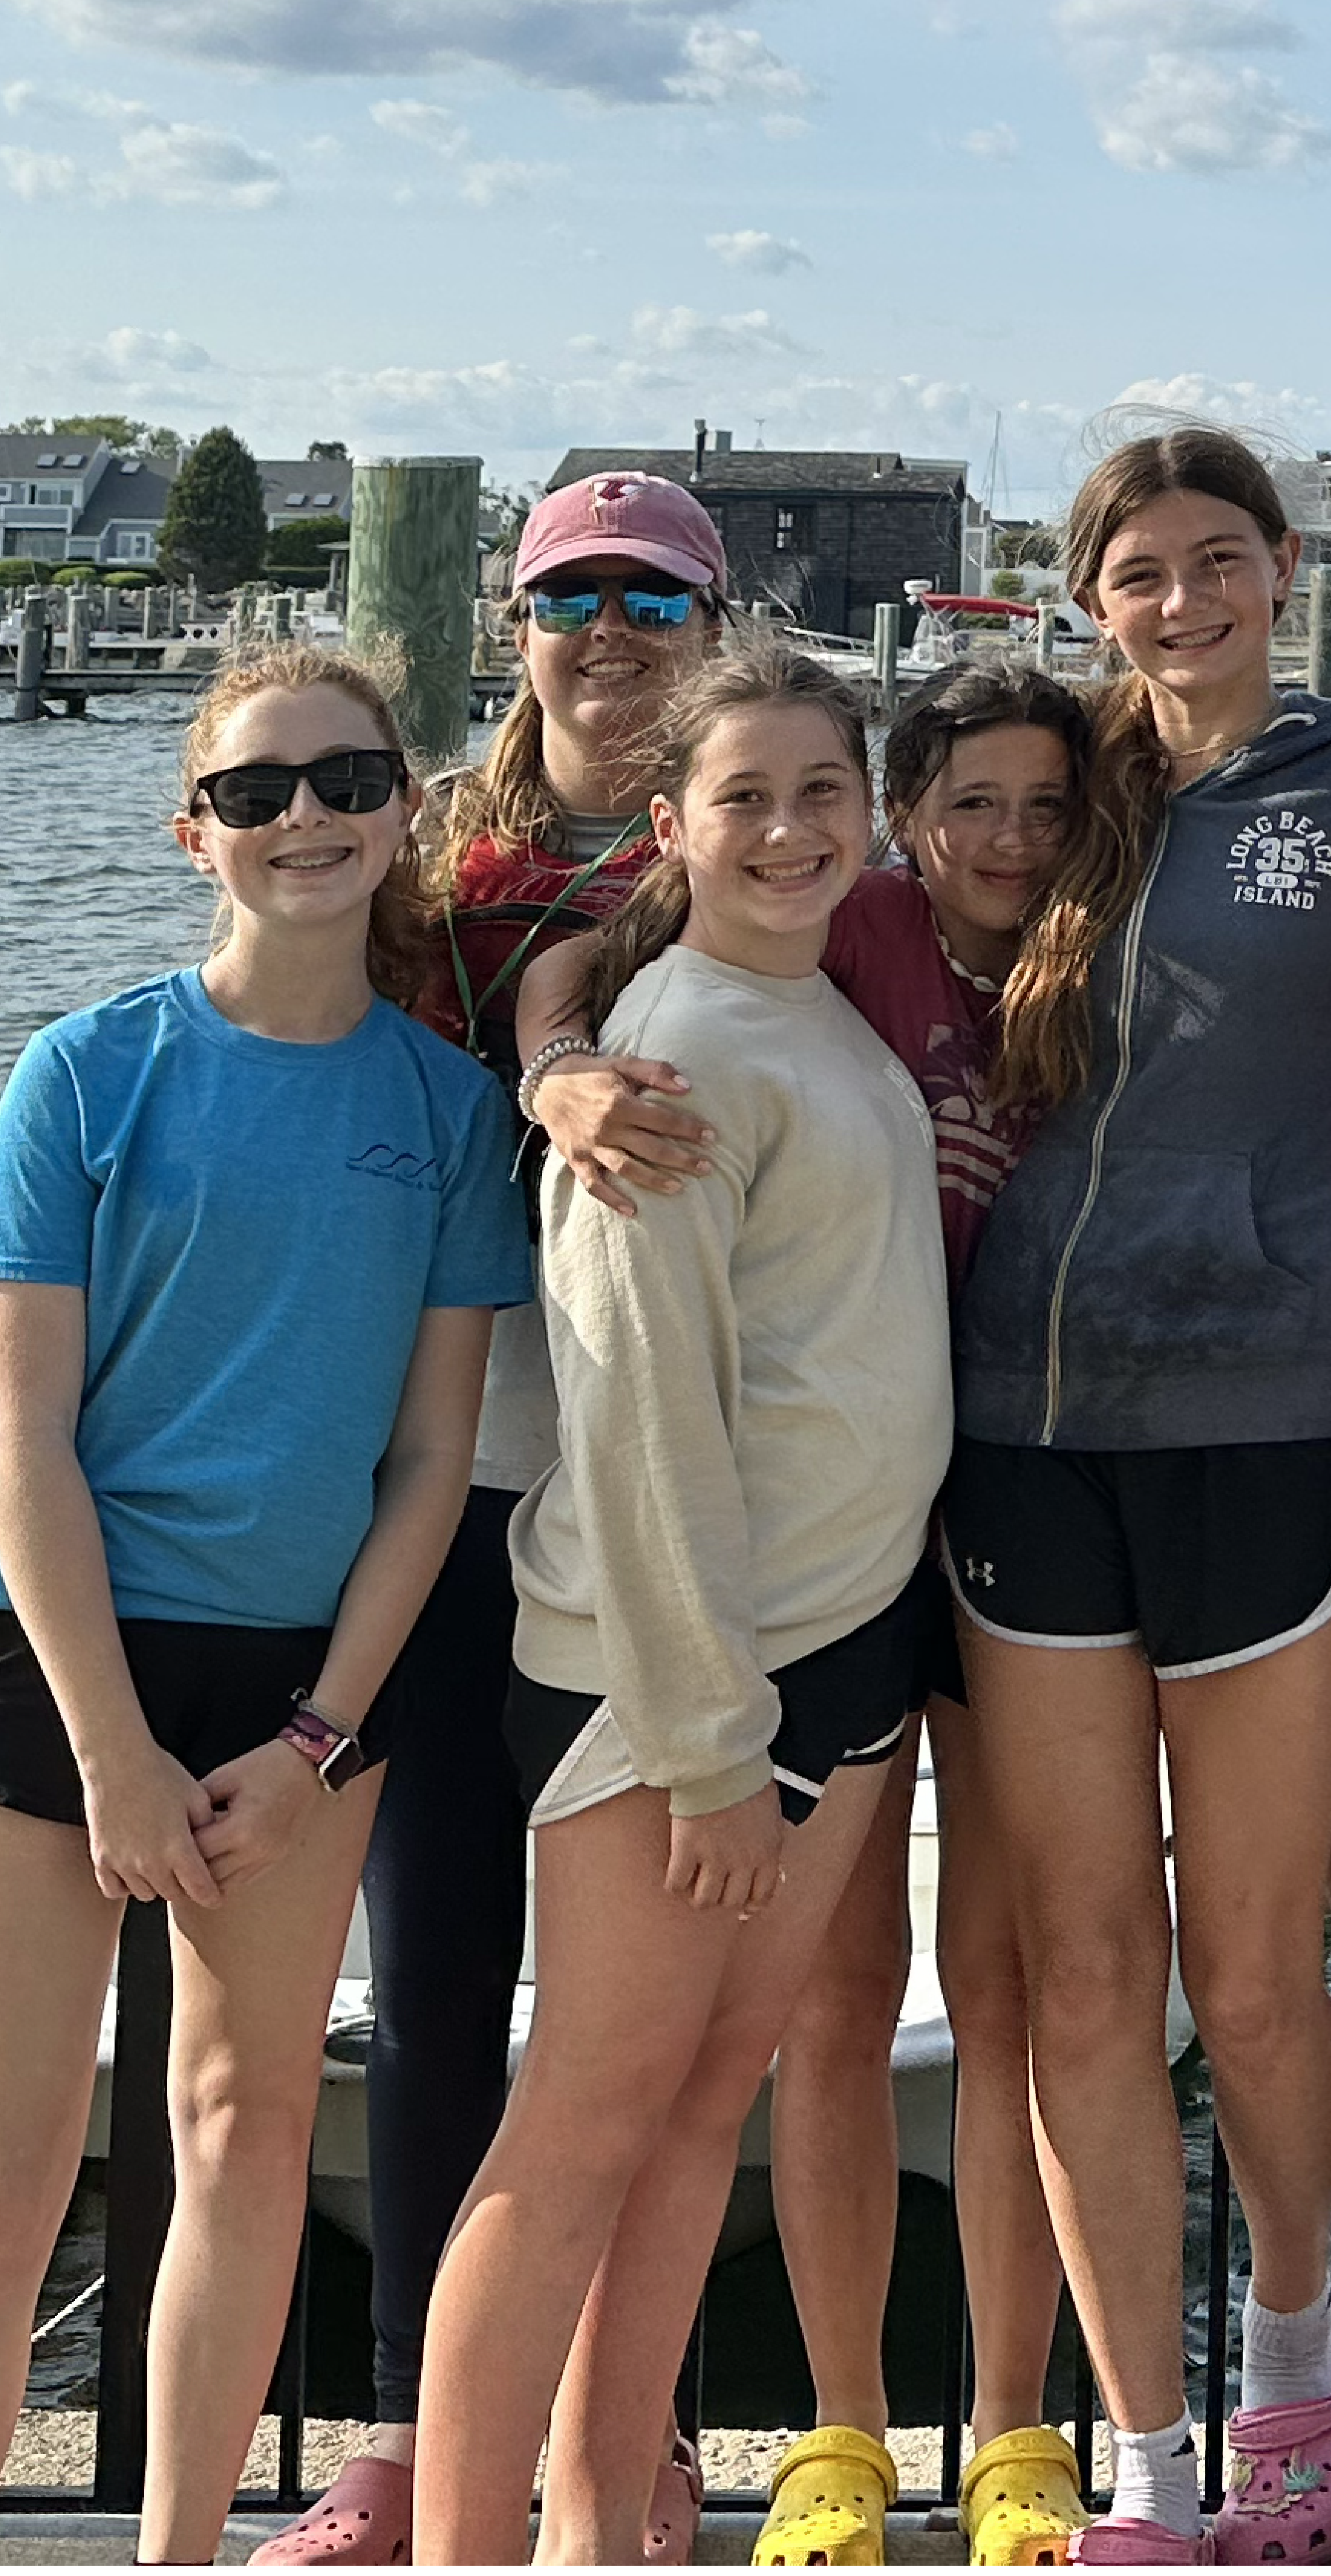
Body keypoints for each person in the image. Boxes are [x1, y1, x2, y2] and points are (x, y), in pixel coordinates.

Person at [520, 661, 1100, 2566]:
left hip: (1008, 1525)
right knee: (806, 2021)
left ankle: (1015, 2432)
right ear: (908, 817)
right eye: (970, 803)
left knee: (1004, 1993)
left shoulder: (1118, 935)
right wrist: (557, 1072)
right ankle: (834, 2436)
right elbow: (611, 950)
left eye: (1044, 802)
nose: (1007, 839)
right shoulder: (832, 923)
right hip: (785, 1590)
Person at [941, 428, 1331, 2566]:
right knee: (1080, 1979)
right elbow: (743, 892)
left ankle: (1303, 2375)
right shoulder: (1048, 801)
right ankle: (1141, 2460)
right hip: (1022, 1450)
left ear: (1283, 567)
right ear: (1092, 598)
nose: (1179, 603)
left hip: (1261, 1426)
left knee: (1249, 1977)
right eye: (1136, 572)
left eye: (1213, 562)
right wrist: (578, 1021)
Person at [415, 644, 952, 2566]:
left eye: (825, 790)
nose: (792, 829)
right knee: (575, 2130)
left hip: (836, 1657)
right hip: (679, 1696)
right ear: (672, 828)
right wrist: (712, 1745)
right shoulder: (679, 1056)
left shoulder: (820, 1023)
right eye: (748, 797)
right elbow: (638, 1422)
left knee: (699, 2103)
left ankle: (593, 2521)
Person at [250, 472, 733, 2568]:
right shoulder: (412, 851)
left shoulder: (758, 840)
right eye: (568, 598)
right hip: (435, 1473)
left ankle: (652, 2429)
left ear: (712, 626)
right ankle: (402, 2431)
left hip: (668, 1480)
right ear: (507, 623)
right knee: (437, 1974)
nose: (607, 633)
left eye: (652, 598)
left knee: (651, 2012)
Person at [0, 649, 522, 2566]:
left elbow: (425, 1465)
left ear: (405, 808)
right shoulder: (84, 1075)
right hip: (66, 1656)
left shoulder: (451, 1114)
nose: (304, 816)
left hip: (306, 1679)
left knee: (245, 2125)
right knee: (22, 2141)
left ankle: (176, 2551)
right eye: (254, 789)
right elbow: (25, 1443)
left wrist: (312, 1742)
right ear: (193, 828)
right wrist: (108, 1751)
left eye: (345, 779)